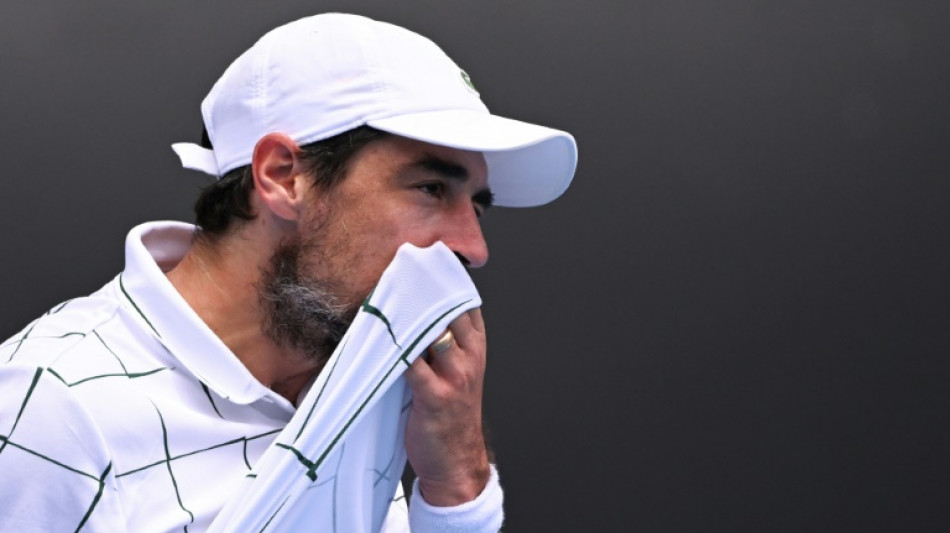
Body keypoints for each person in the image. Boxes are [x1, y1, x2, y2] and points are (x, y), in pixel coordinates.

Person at [0, 12, 576, 532]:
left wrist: (457, 484)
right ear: (282, 176)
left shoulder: (363, 379)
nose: (473, 248)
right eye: (430, 188)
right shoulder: (49, 408)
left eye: (475, 207)